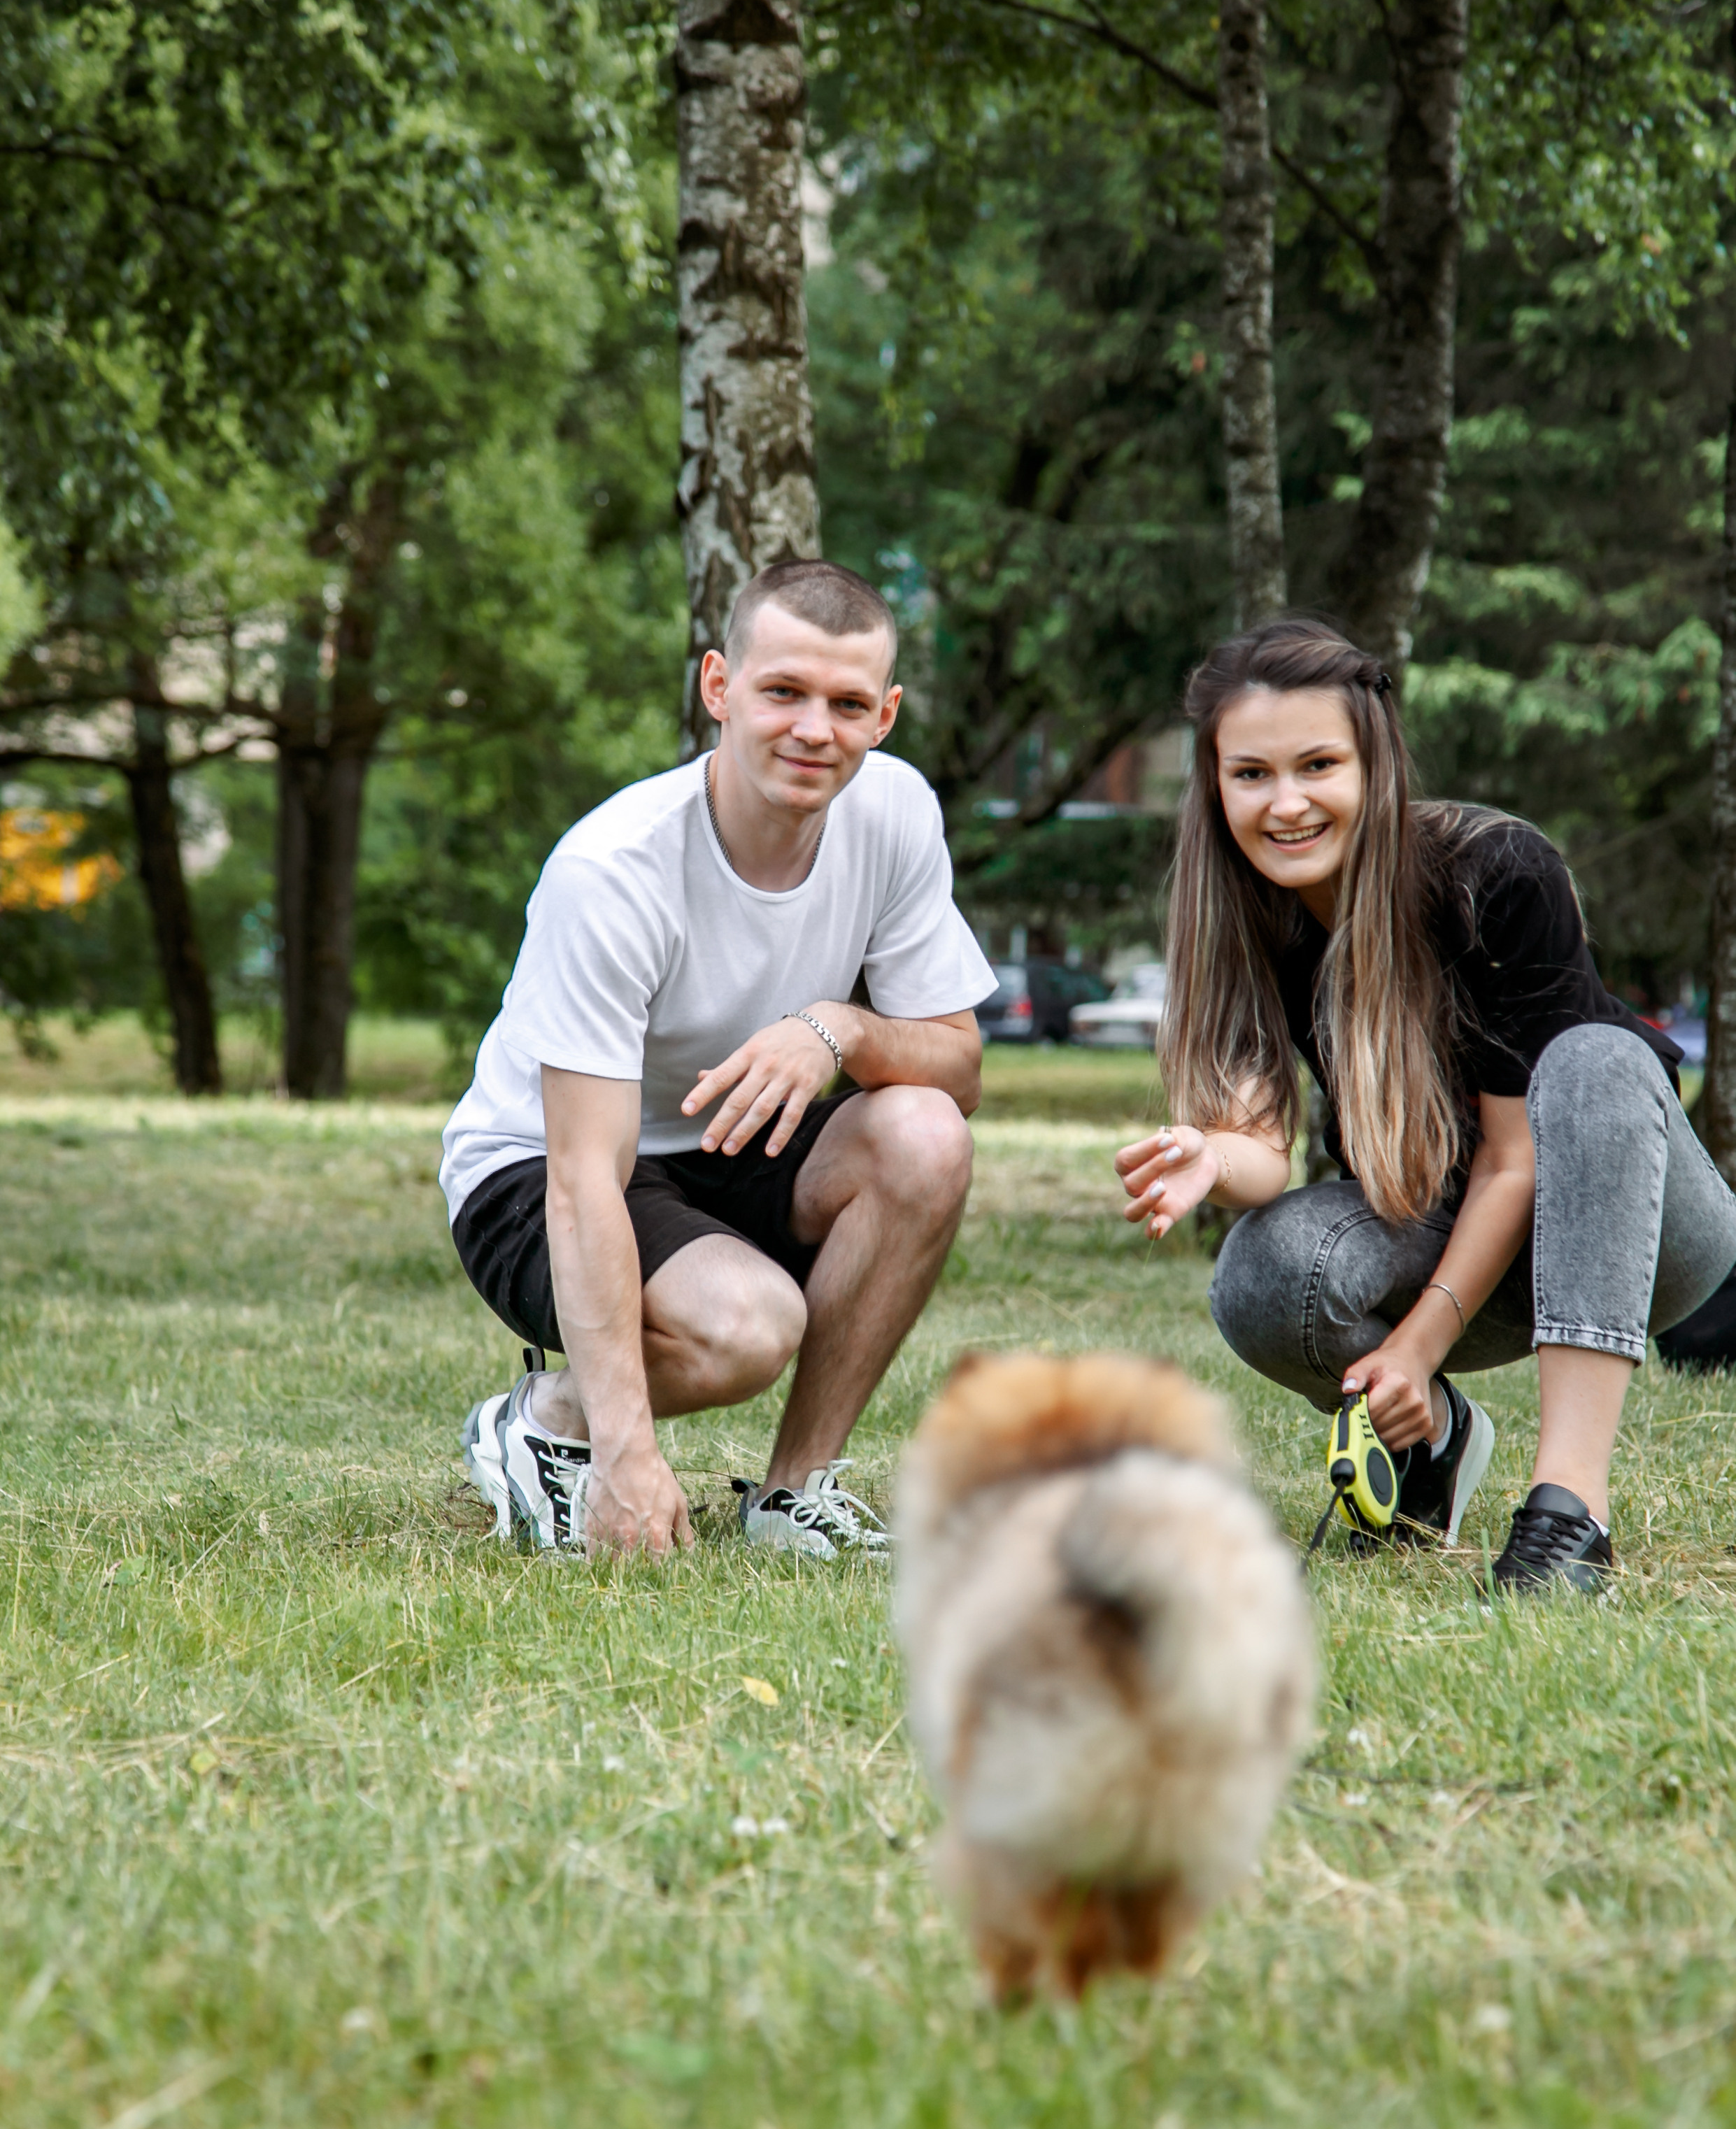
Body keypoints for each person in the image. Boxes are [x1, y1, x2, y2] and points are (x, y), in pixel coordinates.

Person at [1114, 616, 1736, 1593]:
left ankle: (1568, 1514)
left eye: (1317, 764)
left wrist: (1419, 1339)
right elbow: (1263, 1151)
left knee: (1595, 1061)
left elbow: (1512, 1159)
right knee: (1265, 1271)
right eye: (1251, 774)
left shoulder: (1495, 873)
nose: (1285, 803)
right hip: (1453, 1234)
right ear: (1213, 783)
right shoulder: (1240, 915)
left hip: (1641, 1228)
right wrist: (1209, 1153)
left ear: (1376, 764)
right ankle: (1434, 1446)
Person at [439, 558, 995, 1561]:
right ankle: (547, 1424)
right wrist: (626, 1455)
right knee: (744, 1329)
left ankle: (791, 1496)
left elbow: (957, 1071)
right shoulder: (613, 871)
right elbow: (580, 1181)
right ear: (718, 687)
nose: (812, 729)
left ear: (887, 714)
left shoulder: (897, 814)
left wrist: (844, 1028)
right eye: (781, 692)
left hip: (737, 1140)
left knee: (924, 1134)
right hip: (541, 1169)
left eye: (846, 703)